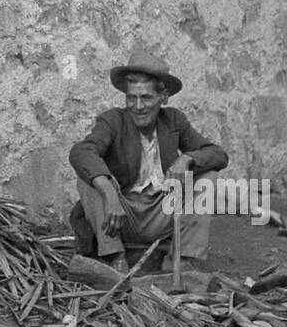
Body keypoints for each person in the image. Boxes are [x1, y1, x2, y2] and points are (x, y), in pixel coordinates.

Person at [67, 49, 228, 273]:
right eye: (132, 97)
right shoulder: (113, 121)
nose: (138, 106)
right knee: (89, 178)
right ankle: (116, 257)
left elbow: (218, 154)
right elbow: (81, 152)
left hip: (161, 213)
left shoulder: (173, 121)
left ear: (163, 98)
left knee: (207, 177)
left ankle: (181, 260)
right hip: (121, 215)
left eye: (146, 98)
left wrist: (188, 159)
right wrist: (110, 195)